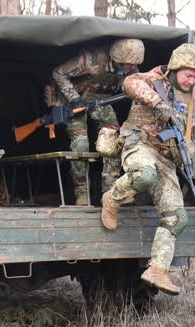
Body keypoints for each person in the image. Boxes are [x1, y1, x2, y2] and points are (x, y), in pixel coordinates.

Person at [100, 43, 195, 295]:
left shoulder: (192, 97)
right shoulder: (152, 78)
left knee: (177, 217)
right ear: (176, 67)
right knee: (144, 176)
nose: (192, 81)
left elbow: (190, 131)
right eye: (188, 75)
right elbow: (130, 84)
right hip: (140, 145)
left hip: (166, 157)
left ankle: (157, 269)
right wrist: (159, 103)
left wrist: (185, 153)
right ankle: (111, 199)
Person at [46, 38, 145, 205]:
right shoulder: (91, 60)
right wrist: (74, 98)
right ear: (116, 58)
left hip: (101, 100)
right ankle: (81, 193)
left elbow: (136, 83)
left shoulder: (132, 68)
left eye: (132, 64)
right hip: (73, 103)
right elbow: (58, 73)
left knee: (113, 141)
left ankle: (110, 193)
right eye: (126, 64)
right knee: (81, 144)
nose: (130, 67)